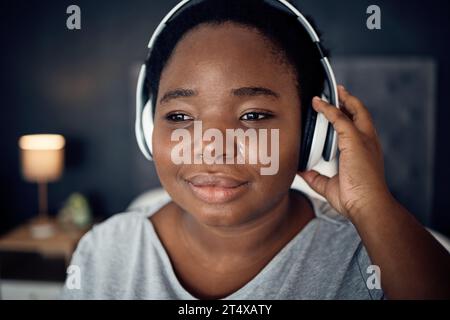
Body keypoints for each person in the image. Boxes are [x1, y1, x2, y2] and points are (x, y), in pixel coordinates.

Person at [61, 0, 450, 299]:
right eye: (180, 117)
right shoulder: (104, 253)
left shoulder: (371, 264)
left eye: (254, 116)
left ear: (313, 132)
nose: (212, 149)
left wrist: (369, 202)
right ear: (149, 128)